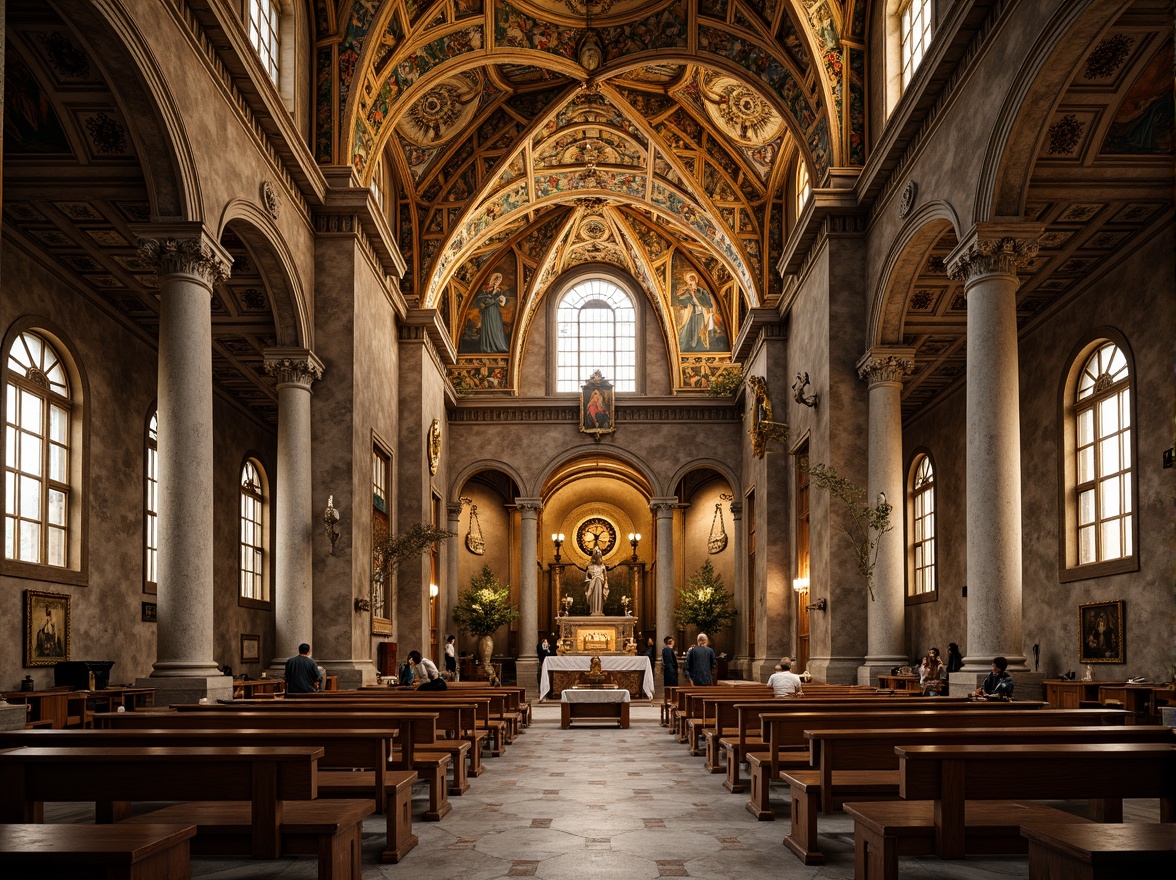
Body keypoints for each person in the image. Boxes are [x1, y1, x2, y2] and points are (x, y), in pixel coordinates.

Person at [472, 272, 509, 352]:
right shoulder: (486, 291)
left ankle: (498, 345)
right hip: (487, 312)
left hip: (494, 311)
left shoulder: (498, 291)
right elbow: (478, 300)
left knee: (494, 327)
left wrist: (500, 299)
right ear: (491, 281)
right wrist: (482, 303)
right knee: (487, 327)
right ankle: (487, 347)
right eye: (494, 280)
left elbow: (502, 302)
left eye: (497, 281)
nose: (495, 283)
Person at [583, 548, 609, 615]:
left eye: (600, 556)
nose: (599, 558)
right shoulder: (590, 566)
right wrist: (589, 581)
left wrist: (605, 583)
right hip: (592, 584)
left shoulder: (602, 566)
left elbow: (605, 576)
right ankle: (594, 610)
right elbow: (587, 576)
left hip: (600, 583)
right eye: (597, 556)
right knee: (593, 596)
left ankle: (599, 610)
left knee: (599, 595)